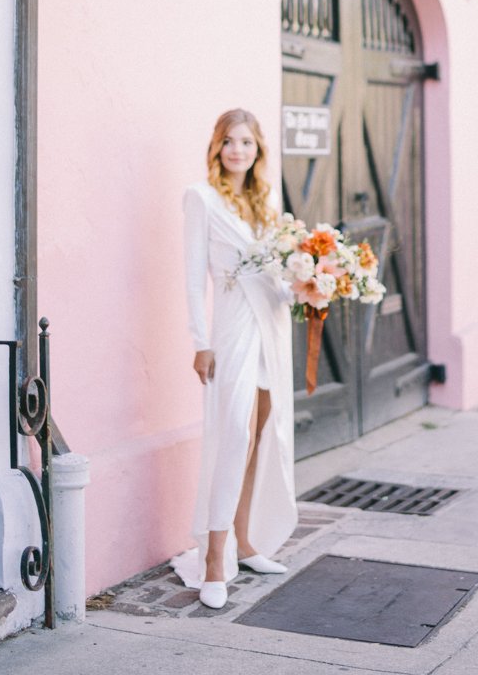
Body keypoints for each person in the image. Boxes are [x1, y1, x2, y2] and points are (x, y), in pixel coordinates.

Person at [177, 109, 297, 609]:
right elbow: (192, 277)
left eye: (246, 142)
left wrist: (307, 284)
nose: (237, 151)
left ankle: (246, 544)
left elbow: (278, 273)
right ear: (217, 148)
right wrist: (201, 341)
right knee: (233, 435)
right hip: (232, 329)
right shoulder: (200, 198)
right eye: (229, 141)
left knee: (260, 436)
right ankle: (212, 561)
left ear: (258, 150)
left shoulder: (266, 201)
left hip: (270, 324)